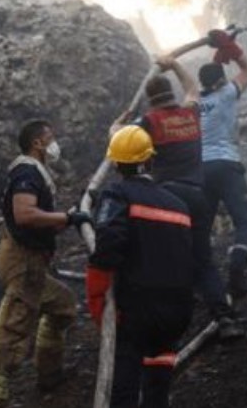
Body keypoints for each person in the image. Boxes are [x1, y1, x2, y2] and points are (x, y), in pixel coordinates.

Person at [112, 55, 241, 339]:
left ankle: (162, 320)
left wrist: (114, 128)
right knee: (202, 258)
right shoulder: (190, 114)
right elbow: (193, 88)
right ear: (171, 94)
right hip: (199, 196)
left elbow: (120, 147)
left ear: (150, 100)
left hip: (167, 200)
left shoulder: (148, 122)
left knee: (162, 258)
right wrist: (175, 65)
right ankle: (224, 318)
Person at [0, 119, 91, 408]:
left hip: (32, 263)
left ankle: (49, 375)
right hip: (24, 265)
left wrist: (72, 214)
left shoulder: (34, 171)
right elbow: (25, 215)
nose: (55, 142)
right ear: (37, 143)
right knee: (11, 335)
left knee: (63, 307)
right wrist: (66, 218)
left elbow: (38, 220)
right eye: (50, 137)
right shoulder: (27, 172)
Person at [86, 125, 197, 408]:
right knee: (158, 379)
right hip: (177, 310)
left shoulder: (117, 194)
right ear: (150, 160)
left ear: (117, 165)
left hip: (139, 309)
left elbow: (108, 247)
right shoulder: (179, 206)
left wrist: (97, 301)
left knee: (124, 383)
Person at [198, 30, 247, 299]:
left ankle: (201, 279)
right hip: (227, 165)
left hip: (201, 170)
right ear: (221, 82)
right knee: (245, 222)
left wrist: (220, 54)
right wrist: (231, 47)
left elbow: (213, 78)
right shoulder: (227, 95)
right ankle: (237, 269)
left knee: (201, 229)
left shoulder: (195, 103)